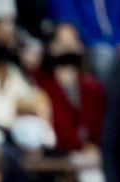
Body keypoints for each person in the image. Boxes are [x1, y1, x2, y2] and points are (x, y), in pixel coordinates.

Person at [32, 22, 105, 156]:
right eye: (62, 42)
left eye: (73, 42)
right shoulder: (38, 83)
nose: (68, 48)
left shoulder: (94, 88)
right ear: (50, 47)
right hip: (54, 154)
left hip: (91, 156)